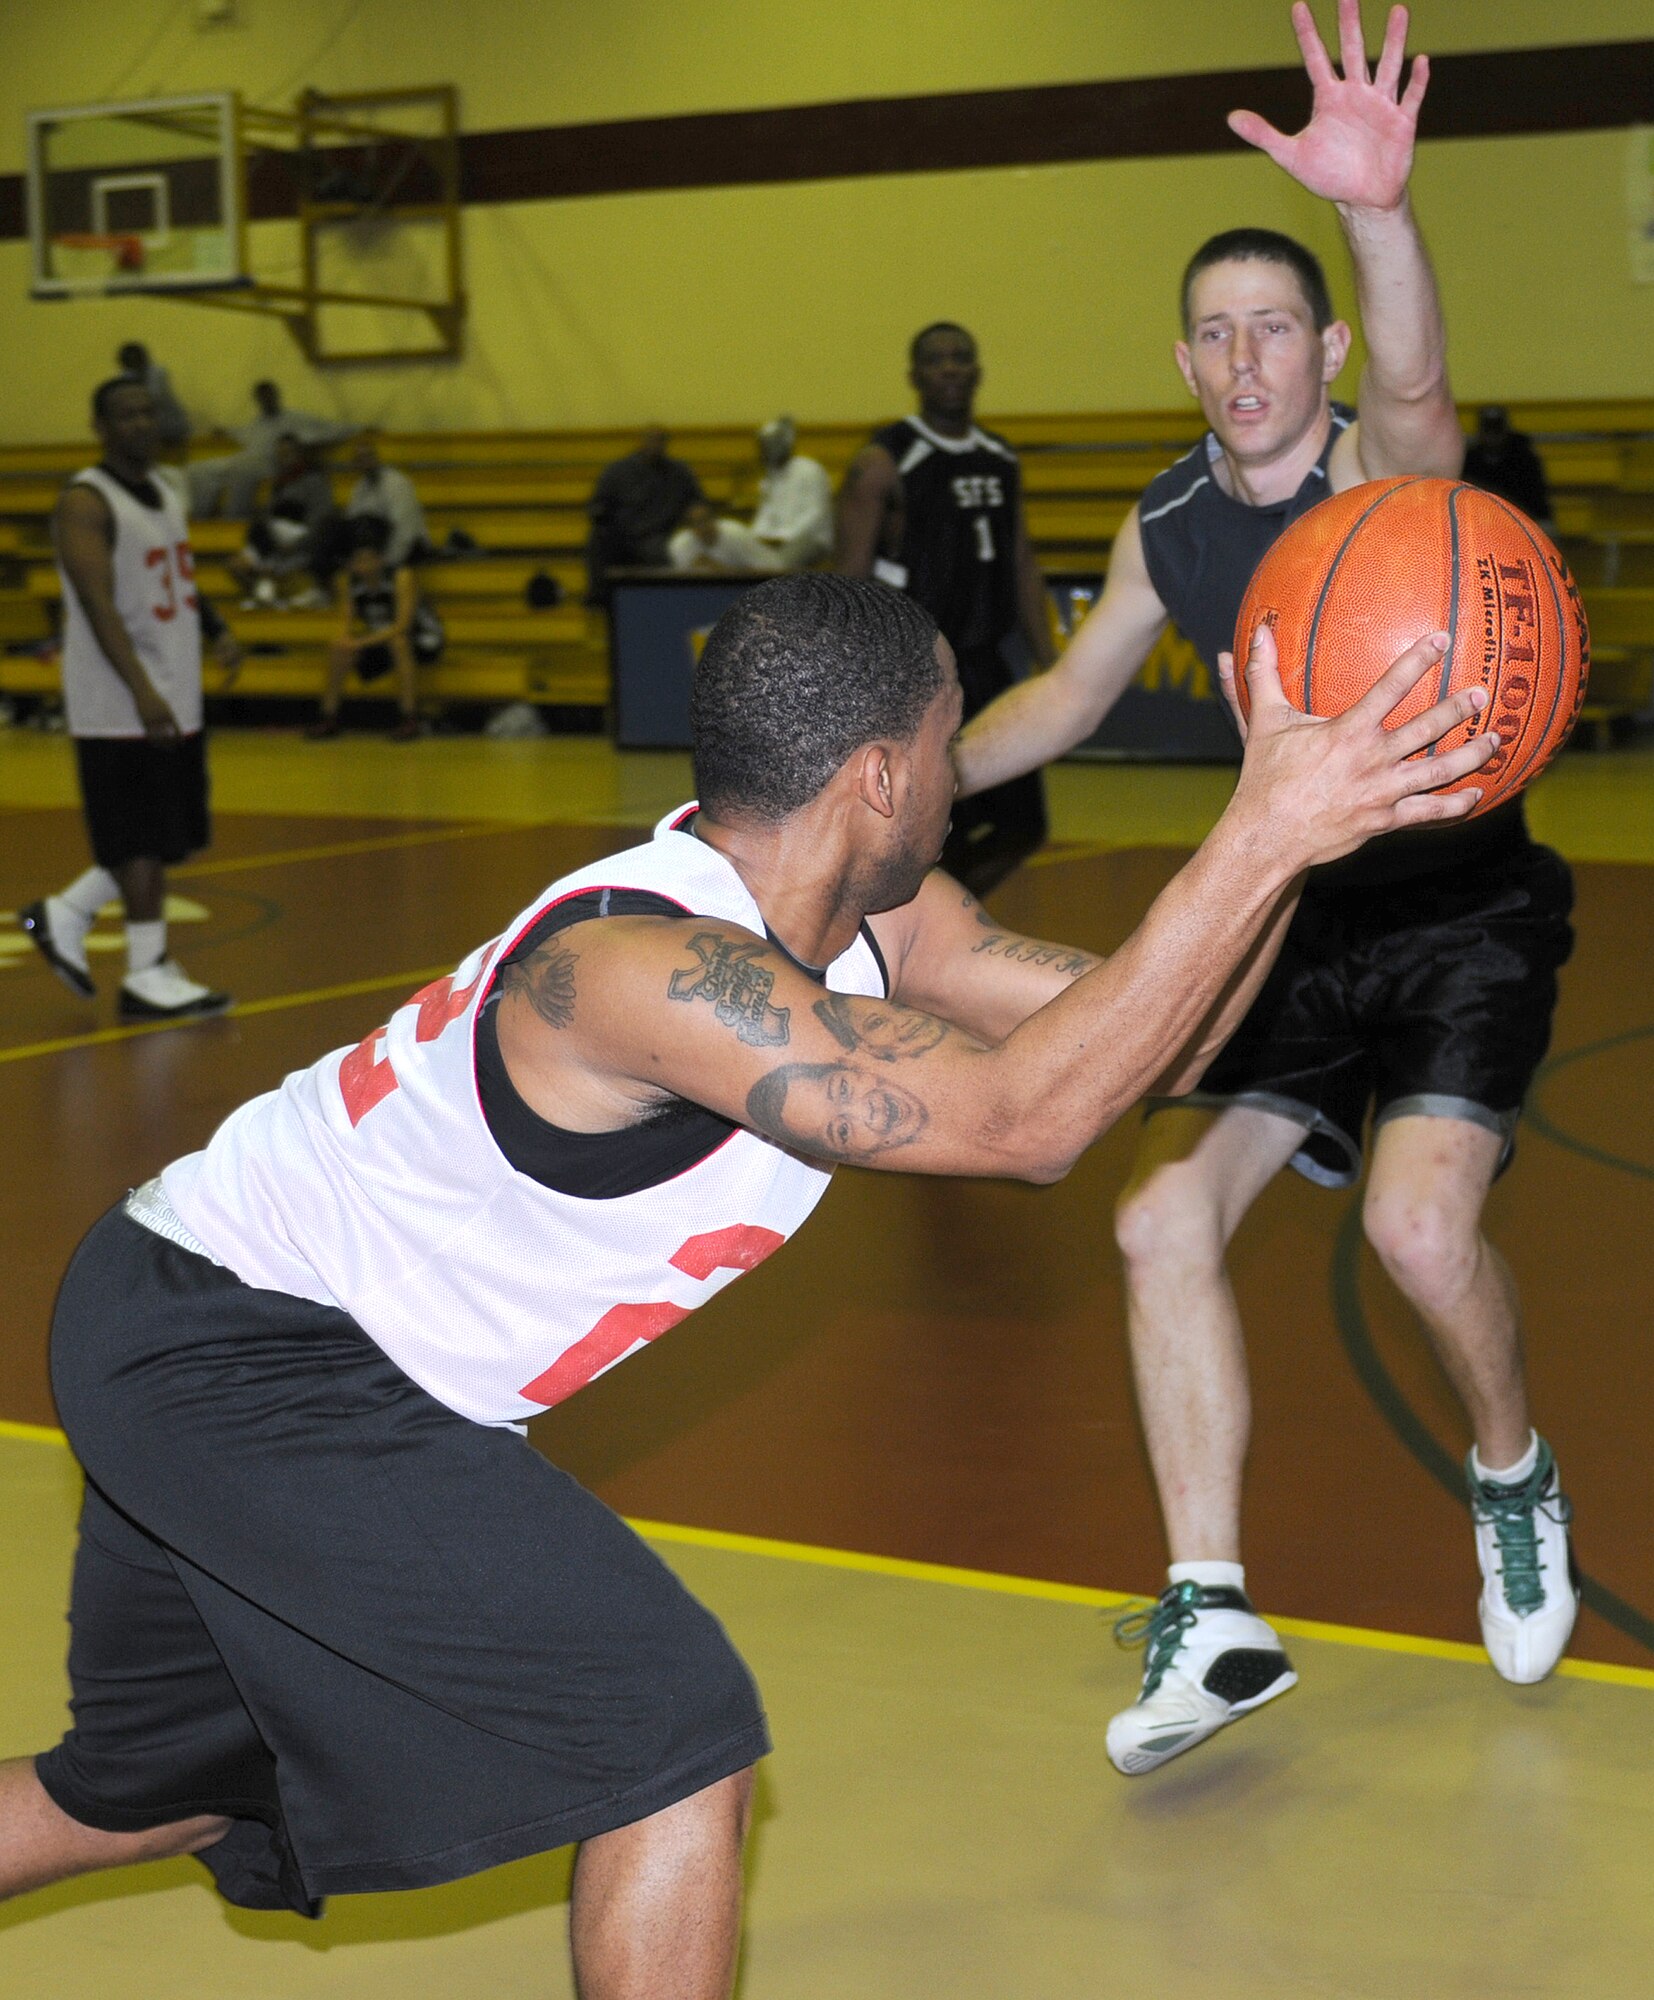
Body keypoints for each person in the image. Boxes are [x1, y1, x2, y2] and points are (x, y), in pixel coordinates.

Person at [0, 572, 1491, 1992]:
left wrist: (1289, 838)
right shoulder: (644, 975)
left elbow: (1123, 1040)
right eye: (946, 733)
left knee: (148, 1796)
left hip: (201, 1322)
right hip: (246, 1352)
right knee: (675, 1740)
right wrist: (1259, 839)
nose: (962, 771)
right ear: (878, 777)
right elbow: (1023, 1120)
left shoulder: (873, 919)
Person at [951, 0, 1580, 1775]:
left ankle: (1509, 1471)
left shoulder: (1386, 485)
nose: (1244, 363)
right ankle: (1212, 1614)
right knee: (1155, 1221)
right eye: (1213, 337)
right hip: (1288, 923)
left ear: (1311, 347)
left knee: (1410, 1229)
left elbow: (1416, 390)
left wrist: (1376, 212)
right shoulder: (1166, 527)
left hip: (1456, 909)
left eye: (1271, 330)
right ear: (1184, 360)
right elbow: (1060, 702)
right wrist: (899, 782)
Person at [20, 379, 238, 1021]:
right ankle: (146, 973)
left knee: (169, 835)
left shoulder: (167, 488)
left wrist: (217, 628)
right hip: (118, 701)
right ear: (100, 426)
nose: (141, 423)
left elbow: (175, 572)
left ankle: (67, 912)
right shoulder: (86, 502)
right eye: (126, 414)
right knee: (139, 839)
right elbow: (97, 603)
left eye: (147, 412)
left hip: (174, 688)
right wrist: (141, 691)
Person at [836, 323, 1056, 897]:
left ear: (978, 371)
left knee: (1024, 826)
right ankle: (928, 939)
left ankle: (941, 921)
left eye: (962, 357)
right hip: (915, 677)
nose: (951, 368)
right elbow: (849, 579)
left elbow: (1021, 560)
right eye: (937, 360)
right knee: (937, 834)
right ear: (915, 377)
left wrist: (1052, 660)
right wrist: (855, 678)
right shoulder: (884, 461)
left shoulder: (999, 457)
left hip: (985, 668)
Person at [306, 516, 442, 742]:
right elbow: (345, 625)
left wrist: (359, 643)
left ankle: (409, 717)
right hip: (380, 639)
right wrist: (346, 642)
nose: (364, 565)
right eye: (358, 560)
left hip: (424, 639)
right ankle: (328, 717)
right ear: (350, 562)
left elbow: (402, 626)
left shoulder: (401, 576)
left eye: (369, 559)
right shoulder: (350, 582)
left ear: (381, 559)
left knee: (398, 643)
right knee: (338, 648)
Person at [670, 418, 835, 575]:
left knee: (778, 567)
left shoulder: (810, 470)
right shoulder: (770, 478)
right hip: (776, 540)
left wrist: (783, 537)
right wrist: (756, 537)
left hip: (811, 539)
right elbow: (766, 515)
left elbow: (816, 515)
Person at [189, 381, 357, 520]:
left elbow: (331, 429)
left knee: (242, 471)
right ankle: (199, 518)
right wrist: (225, 431)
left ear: (276, 395)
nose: (266, 400)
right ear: (258, 400)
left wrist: (360, 429)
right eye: (262, 397)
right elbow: (243, 433)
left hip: (270, 464)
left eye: (269, 395)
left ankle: (234, 521)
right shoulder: (258, 422)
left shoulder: (295, 418)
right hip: (245, 459)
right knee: (197, 469)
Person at [586, 426, 704, 604]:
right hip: (622, 535)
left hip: (661, 536)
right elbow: (598, 504)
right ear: (641, 441)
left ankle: (660, 602)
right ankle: (600, 599)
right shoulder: (617, 471)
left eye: (659, 441)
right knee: (598, 540)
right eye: (651, 440)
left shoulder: (679, 473)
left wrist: (694, 514)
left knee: (664, 551)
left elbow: (698, 502)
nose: (655, 445)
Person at [227, 436, 342, 609]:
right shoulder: (278, 483)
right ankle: (264, 594)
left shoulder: (315, 481)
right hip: (273, 540)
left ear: (299, 454)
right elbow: (269, 517)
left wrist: (297, 545)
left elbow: (321, 520)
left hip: (299, 539)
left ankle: (267, 589)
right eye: (280, 454)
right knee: (236, 564)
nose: (283, 458)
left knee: (266, 545)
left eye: (288, 453)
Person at [1461, 404, 1554, 530]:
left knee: (1547, 531)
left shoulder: (1524, 458)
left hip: (1524, 518)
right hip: (1482, 520)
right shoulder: (1471, 459)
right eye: (1488, 431)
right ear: (1481, 432)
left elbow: (1536, 499)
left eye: (1496, 431)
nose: (1493, 437)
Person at [115, 342, 189, 452]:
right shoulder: (125, 376)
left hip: (168, 425)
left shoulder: (158, 373)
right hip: (145, 429)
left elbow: (153, 398)